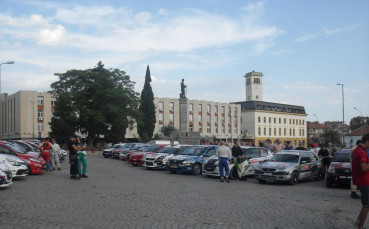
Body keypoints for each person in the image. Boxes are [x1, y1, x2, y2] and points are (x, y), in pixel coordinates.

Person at [352, 134, 369, 229]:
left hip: (361, 180)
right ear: (367, 141)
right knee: (366, 206)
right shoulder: (362, 152)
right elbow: (364, 168)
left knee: (366, 204)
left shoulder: (356, 150)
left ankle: (358, 221)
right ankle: (360, 226)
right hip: (365, 181)